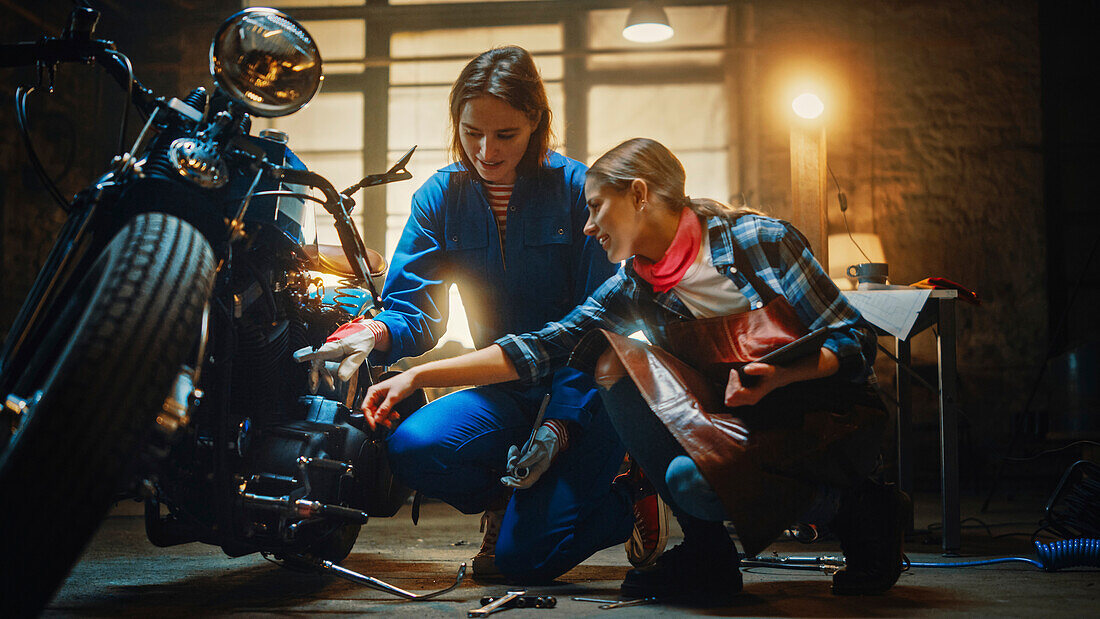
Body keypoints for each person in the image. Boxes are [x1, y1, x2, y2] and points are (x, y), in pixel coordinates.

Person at [361, 137, 908, 602]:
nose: (588, 227)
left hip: (819, 422)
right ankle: (709, 557)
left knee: (705, 472)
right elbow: (539, 347)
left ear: (640, 196)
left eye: (597, 208)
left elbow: (856, 342)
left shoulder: (761, 242)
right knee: (624, 381)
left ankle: (860, 508)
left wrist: (782, 375)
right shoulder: (634, 286)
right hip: (733, 424)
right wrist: (418, 376)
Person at [294, 47, 660, 582]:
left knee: (518, 564)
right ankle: (514, 502)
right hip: (505, 384)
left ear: (536, 121)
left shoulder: (581, 191)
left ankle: (627, 491)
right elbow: (413, 310)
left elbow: (601, 329)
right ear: (456, 123)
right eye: (472, 133)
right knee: (413, 449)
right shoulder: (440, 198)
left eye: (505, 134)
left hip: (586, 392)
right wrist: (371, 333)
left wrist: (560, 425)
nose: (486, 151)